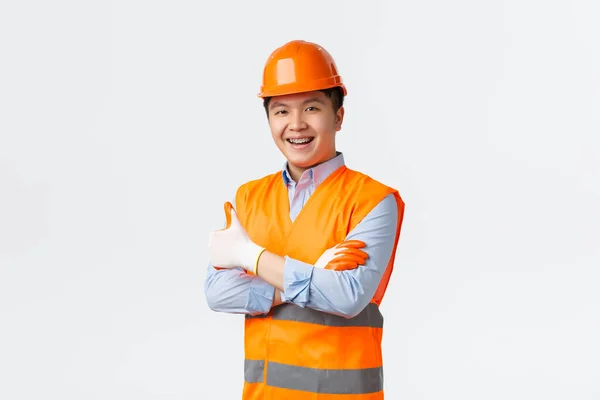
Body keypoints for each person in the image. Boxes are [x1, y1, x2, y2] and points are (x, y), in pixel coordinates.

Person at [204, 39, 405, 400]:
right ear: (268, 118)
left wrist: (251, 258)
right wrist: (310, 278)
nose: (296, 125)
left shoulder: (373, 201)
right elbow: (218, 293)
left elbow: (348, 297)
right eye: (281, 111)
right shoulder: (249, 198)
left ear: (338, 116)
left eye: (311, 108)